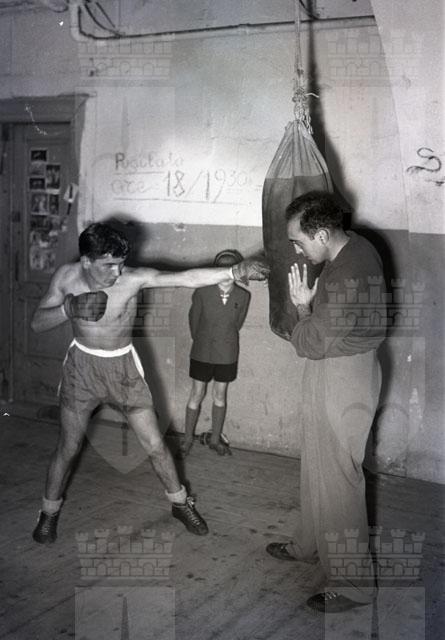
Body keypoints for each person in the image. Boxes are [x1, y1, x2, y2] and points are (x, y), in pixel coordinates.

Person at [31, 222, 268, 544]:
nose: (117, 272)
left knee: (155, 445)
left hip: (122, 368)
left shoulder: (132, 279)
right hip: (82, 368)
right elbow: (37, 323)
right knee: (68, 447)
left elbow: (184, 278)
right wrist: (67, 308)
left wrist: (234, 271)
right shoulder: (66, 277)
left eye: (120, 264)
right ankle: (48, 512)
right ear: (86, 261)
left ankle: (180, 503)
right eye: (108, 265)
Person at [265, 191, 386, 613]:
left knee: (339, 477)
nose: (298, 250)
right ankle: (309, 544)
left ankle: (353, 585)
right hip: (336, 365)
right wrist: (315, 312)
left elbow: (312, 343)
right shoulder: (355, 247)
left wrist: (303, 308)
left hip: (344, 373)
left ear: (320, 234)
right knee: (316, 461)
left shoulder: (345, 273)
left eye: (298, 242)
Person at [178, 250, 251, 458]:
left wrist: (222, 339)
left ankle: (215, 440)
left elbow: (237, 324)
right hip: (202, 351)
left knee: (220, 395)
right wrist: (204, 340)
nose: (226, 274)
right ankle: (187, 439)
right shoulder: (202, 292)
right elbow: (194, 321)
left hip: (227, 353)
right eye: (221, 269)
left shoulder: (243, 296)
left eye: (231, 269)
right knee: (196, 394)